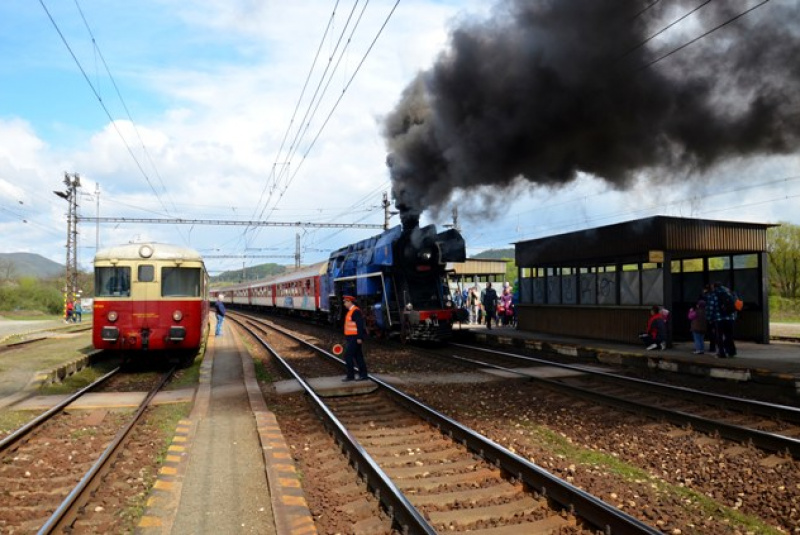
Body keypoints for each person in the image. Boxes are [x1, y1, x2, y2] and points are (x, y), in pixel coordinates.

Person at [341, 295, 369, 381]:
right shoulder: (351, 311)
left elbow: (360, 325)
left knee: (348, 356)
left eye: (345, 302)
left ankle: (350, 376)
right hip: (351, 338)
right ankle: (363, 375)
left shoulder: (355, 311)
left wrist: (359, 337)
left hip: (355, 337)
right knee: (358, 356)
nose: (344, 304)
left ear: (350, 301)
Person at [707, 282, 738, 358]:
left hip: (719, 319)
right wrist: (734, 317)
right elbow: (736, 305)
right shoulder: (730, 293)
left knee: (719, 336)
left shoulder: (713, 294)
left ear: (714, 287)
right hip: (730, 318)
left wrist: (709, 318)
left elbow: (710, 308)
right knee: (729, 336)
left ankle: (721, 353)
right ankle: (731, 352)